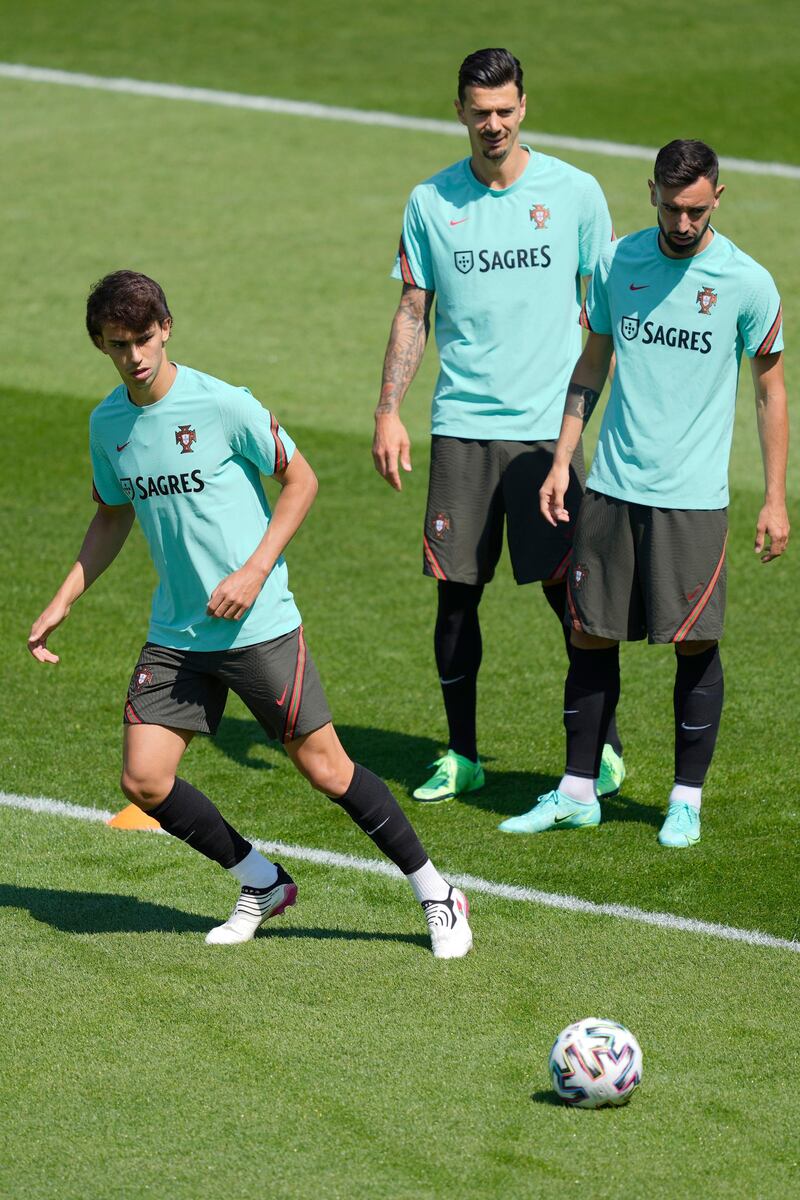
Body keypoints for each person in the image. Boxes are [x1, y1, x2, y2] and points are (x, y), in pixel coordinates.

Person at [27, 270, 473, 956]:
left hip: (256, 623)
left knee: (327, 770)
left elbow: (302, 479)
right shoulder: (108, 424)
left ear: (166, 328)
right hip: (176, 632)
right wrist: (64, 598)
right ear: (101, 345)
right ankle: (261, 882)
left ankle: (436, 891)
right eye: (119, 345)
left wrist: (254, 569)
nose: (136, 357)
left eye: (144, 339)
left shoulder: (223, 404)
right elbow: (111, 514)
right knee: (144, 779)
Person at [500, 139, 789, 845]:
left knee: (693, 644)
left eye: (696, 209)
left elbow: (770, 392)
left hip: (692, 500)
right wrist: (564, 459)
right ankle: (577, 789)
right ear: (651, 192)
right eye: (671, 206)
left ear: (718, 197)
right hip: (612, 489)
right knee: (589, 632)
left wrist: (776, 497)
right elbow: (592, 361)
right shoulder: (617, 261)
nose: (683, 222)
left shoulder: (748, 283)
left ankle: (685, 798)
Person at [372, 47, 625, 804]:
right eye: (480, 112)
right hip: (462, 425)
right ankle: (463, 753)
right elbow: (414, 309)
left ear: (525, 107)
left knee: (569, 595)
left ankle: (602, 748)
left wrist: (592, 418)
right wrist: (389, 409)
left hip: (549, 431)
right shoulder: (431, 201)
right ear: (459, 111)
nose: (494, 124)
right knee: (456, 595)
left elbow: (605, 311)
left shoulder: (576, 194)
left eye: (506, 110)